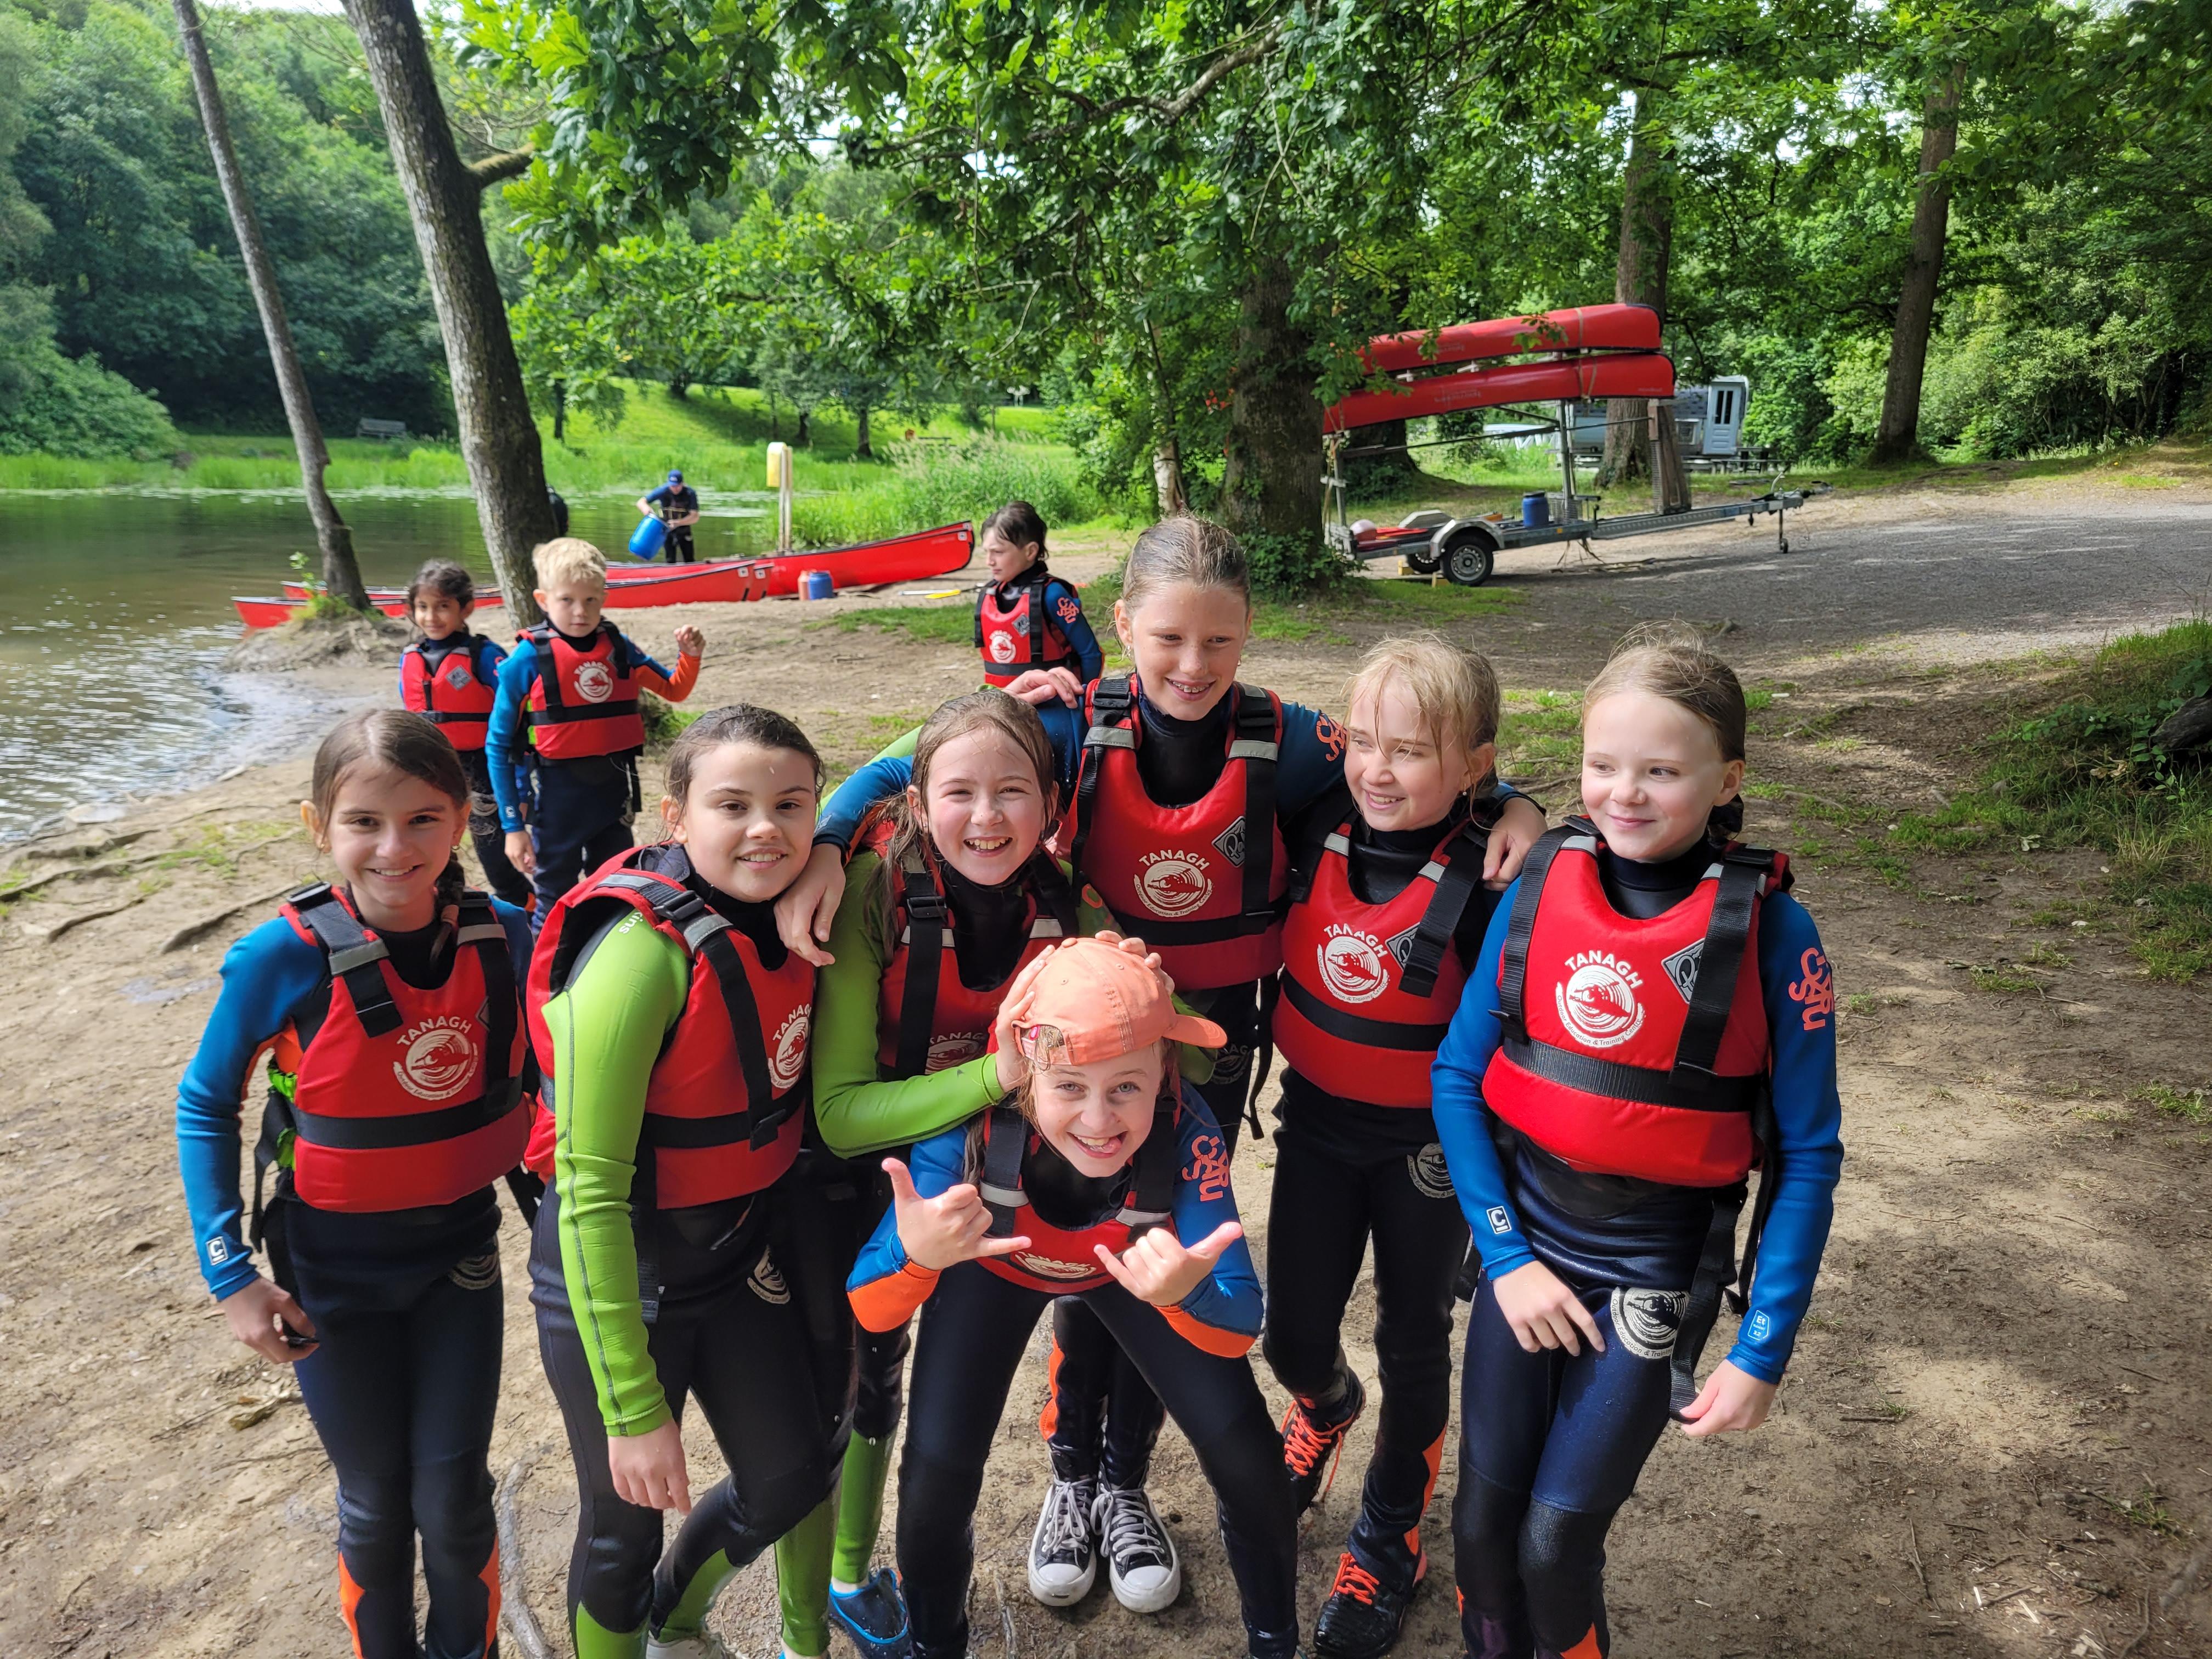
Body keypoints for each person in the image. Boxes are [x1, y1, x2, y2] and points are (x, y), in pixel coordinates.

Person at [779, 514, 1549, 1616]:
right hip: (1078, 1044)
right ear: (1123, 625)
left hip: (1203, 1047)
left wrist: (1510, 799)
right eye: (1169, 638)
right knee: (1067, 1241)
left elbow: (1430, 748)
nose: (1192, 665)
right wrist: (823, 839)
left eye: (1219, 641)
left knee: (1148, 1244)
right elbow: (927, 757)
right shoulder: (1069, 720)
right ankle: (1071, 1477)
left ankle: (1126, 1481)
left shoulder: (1290, 741)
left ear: (1248, 635)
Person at [1432, 629, 1845, 1659]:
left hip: (1650, 1272)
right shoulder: (1539, 889)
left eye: (1660, 771)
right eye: (1602, 765)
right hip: (1526, 1250)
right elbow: (1457, 1077)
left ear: (1727, 779)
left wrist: (1762, 1348)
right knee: (1480, 1532)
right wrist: (1507, 1257)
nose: (1624, 794)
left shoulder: (1776, 935)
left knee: (1552, 1545)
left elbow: (1807, 1154)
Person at [797, 691, 1212, 1649]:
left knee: (920, 1403)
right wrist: (998, 1072)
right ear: (917, 803)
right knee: (860, 1381)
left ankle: (880, 1569)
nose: (987, 817)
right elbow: (841, 1114)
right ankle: (844, 1574)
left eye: (1013, 791)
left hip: (969, 1175)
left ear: (1052, 806)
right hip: (865, 1172)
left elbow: (1187, 1057)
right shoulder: (869, 894)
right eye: (960, 792)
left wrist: (1146, 995)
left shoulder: (1066, 900)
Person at [173, 709, 536, 1659]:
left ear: (460, 818)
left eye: (422, 820)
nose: (393, 848)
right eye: (364, 822)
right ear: (318, 825)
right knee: (376, 1502)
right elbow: (206, 1102)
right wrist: (230, 1274)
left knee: (453, 1497)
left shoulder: (508, 936)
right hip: (326, 1268)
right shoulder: (281, 958)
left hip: (458, 1255)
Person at [846, 937, 1302, 1659]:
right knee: (933, 1486)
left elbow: (1240, 1323)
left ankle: (1276, 1643)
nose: (1098, 1121)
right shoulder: (970, 1129)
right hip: (994, 1274)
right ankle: (937, 1646)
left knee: (1250, 1463)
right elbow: (872, 1307)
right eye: (1069, 1087)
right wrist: (917, 1256)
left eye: (1125, 1088)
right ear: (1024, 1076)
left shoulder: (1186, 1131)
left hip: (1133, 1277)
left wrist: (1186, 1295)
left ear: (1164, 1070)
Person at [526, 704, 837, 1659]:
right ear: (675, 817)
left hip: (732, 1255)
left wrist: (830, 845)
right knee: (622, 1526)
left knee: (790, 1475)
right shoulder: (638, 957)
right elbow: (587, 1192)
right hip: (620, 1270)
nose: (765, 829)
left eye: (791, 806)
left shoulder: (798, 903)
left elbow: (919, 760)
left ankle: (677, 1620)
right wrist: (632, 1409)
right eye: (732, 805)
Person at [1264, 636, 1515, 1659]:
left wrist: (1521, 812)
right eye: (1364, 741)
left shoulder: (1500, 872)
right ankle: (1326, 1405)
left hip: (1428, 1150)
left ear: (1475, 765)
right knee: (1290, 1337)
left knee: (1414, 1339)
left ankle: (1388, 1537)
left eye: (1411, 751)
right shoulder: (1314, 816)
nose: (1377, 768)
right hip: (1316, 1123)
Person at [486, 537, 704, 921]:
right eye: (567, 600)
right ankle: (547, 960)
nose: (580, 611)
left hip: (613, 791)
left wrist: (691, 655)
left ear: (603, 597)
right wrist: (513, 827)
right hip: (558, 795)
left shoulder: (619, 647)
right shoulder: (527, 659)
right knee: (554, 895)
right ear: (543, 600)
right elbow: (499, 745)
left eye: (590, 600)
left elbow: (674, 689)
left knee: (617, 887)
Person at [398, 560, 532, 910]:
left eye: (443, 606)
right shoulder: (410, 658)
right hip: (433, 767)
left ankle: (524, 909)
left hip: (484, 769)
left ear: (466, 608)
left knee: (496, 858)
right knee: (433, 846)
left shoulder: (484, 656)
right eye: (423, 607)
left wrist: (520, 787)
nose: (431, 617)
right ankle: (444, 907)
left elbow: (517, 726)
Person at [972, 500, 1102, 689]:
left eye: (998, 552)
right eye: (986, 552)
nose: (989, 561)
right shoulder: (989, 595)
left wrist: (1084, 698)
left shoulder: (1053, 595)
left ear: (1030, 551)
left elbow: (1091, 654)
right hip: (1002, 700)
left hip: (1053, 701)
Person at [639, 469, 702, 564]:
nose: (675, 488)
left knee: (689, 560)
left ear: (682, 483)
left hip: (684, 530)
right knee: (670, 560)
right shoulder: (663, 491)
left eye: (677, 486)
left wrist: (678, 523)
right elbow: (641, 502)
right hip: (667, 530)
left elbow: (695, 517)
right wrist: (646, 508)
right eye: (672, 486)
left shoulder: (690, 493)